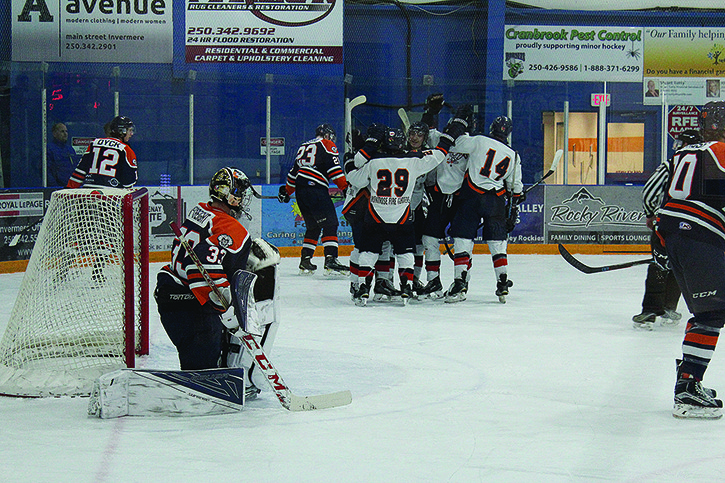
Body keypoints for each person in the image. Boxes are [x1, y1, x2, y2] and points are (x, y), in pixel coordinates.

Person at [155, 167, 281, 399]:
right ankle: (212, 386)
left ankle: (221, 376)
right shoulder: (234, 228)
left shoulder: (200, 211)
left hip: (171, 298)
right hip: (194, 312)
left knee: (204, 369)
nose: (242, 200)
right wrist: (222, 302)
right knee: (202, 387)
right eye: (239, 193)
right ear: (228, 194)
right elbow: (201, 264)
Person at [345, 112, 468, 306]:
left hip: (376, 217)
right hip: (402, 217)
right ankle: (406, 287)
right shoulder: (413, 162)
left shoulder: (374, 162)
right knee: (405, 252)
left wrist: (350, 161)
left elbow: (353, 178)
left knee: (368, 251)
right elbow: (440, 154)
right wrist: (449, 136)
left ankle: (362, 288)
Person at [656, 101, 725, 419]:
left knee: (706, 310)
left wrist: (665, 238)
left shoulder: (685, 153)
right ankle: (687, 386)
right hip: (698, 236)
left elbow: (673, 196)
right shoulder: (720, 151)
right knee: (712, 312)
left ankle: (689, 376)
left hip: (676, 231)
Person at [446, 114, 523, 303]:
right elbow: (516, 187)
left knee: (463, 240)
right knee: (497, 243)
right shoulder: (513, 155)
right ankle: (502, 282)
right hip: (495, 202)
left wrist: (458, 125)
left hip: (471, 197)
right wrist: (513, 208)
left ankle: (460, 283)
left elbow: (455, 145)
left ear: (491, 128)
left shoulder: (479, 141)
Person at [632, 129, 701, 330]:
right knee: (679, 266)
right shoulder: (708, 167)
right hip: (694, 227)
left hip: (667, 223)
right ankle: (669, 307)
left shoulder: (671, 164)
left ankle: (651, 310)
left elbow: (650, 191)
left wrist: (650, 214)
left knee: (659, 265)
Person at [278, 123, 349, 276]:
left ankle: (305, 260)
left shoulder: (303, 146)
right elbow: (335, 171)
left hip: (301, 191)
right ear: (328, 135)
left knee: (314, 227)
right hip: (315, 189)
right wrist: (345, 188)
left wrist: (287, 191)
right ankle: (331, 259)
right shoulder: (327, 144)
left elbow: (293, 174)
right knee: (331, 223)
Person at [419, 94, 469, 299]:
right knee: (429, 238)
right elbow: (423, 131)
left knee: (462, 242)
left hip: (461, 200)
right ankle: (433, 282)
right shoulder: (439, 139)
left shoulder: (472, 144)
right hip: (438, 198)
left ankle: (462, 283)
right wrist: (430, 112)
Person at [66, 116, 137, 189]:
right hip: (111, 195)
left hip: (89, 192)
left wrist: (69, 190)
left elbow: (79, 172)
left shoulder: (94, 143)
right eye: (130, 130)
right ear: (122, 131)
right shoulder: (125, 149)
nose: (131, 134)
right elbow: (128, 182)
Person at [47, 122, 79, 187]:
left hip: (71, 187)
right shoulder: (49, 149)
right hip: (58, 188)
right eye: (62, 131)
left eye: (66, 131)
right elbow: (47, 171)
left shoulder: (70, 149)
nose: (65, 134)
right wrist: (54, 186)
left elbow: (76, 168)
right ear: (54, 134)